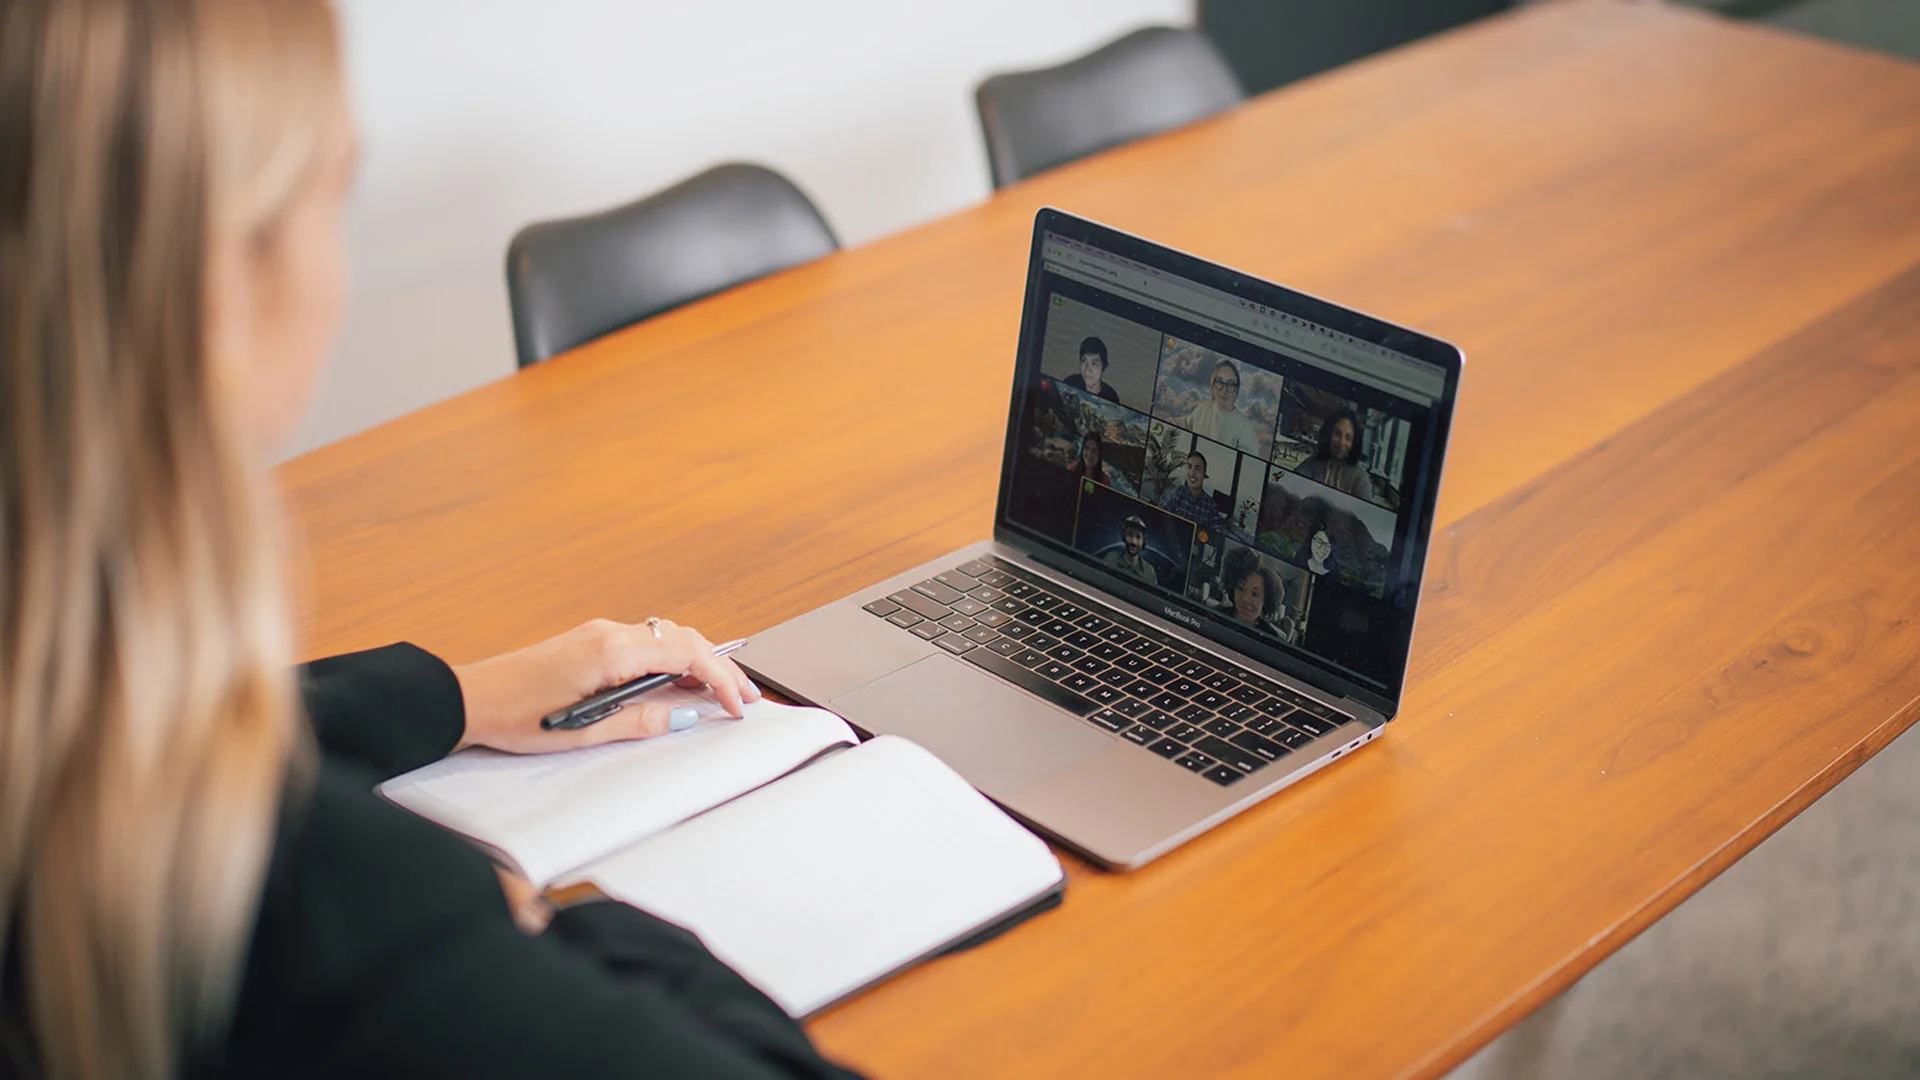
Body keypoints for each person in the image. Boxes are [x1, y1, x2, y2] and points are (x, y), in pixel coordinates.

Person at [0, 4, 859, 1079]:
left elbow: (135, 731)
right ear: (219, 288)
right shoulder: (329, 908)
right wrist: (535, 924)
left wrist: (465, 695)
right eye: (330, 195)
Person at [1178, 359, 1262, 454]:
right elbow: (1183, 423)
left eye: (1230, 384)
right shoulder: (1203, 408)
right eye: (1219, 382)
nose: (1224, 390)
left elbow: (1247, 463)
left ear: (1237, 389)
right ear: (1212, 384)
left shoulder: (1245, 427)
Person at [1295, 407, 1377, 502]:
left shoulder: (1359, 477)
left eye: (1348, 438)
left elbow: (1365, 513)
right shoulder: (1313, 463)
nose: (1342, 442)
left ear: (1354, 442)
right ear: (1329, 434)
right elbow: (1290, 486)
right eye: (1337, 434)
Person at [1218, 547, 1297, 642]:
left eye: (1255, 594)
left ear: (1267, 599)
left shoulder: (1272, 637)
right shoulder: (1216, 615)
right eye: (1241, 588)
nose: (1245, 599)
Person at [1158, 450, 1221, 528]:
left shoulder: (1210, 505)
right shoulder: (1177, 493)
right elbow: (1159, 514)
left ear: (1204, 475)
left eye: (1197, 469)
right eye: (1189, 467)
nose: (1192, 473)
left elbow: (1217, 536)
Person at [1102, 515, 1159, 586]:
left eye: (1138, 537)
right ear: (1124, 536)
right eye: (1130, 534)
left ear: (1143, 541)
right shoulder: (1111, 559)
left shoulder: (1149, 572)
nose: (1133, 541)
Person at [1062, 335, 1120, 403]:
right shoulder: (1069, 384)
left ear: (1103, 366)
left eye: (1094, 364)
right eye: (1084, 361)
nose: (1087, 370)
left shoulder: (1110, 397)